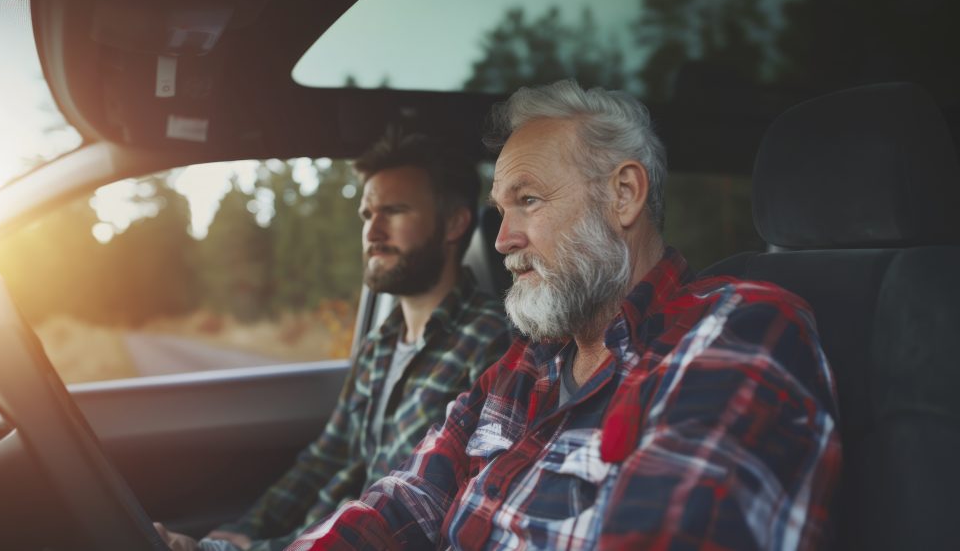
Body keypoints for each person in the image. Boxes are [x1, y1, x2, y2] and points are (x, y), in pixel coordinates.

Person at [281, 80, 842, 550]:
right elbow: (407, 498)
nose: (501, 240)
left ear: (624, 195)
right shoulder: (526, 365)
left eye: (528, 200)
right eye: (501, 210)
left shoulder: (736, 329)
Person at [156, 132, 512, 550]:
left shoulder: (493, 344)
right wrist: (243, 531)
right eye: (367, 214)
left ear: (453, 223)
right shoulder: (379, 345)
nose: (373, 230)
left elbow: (428, 515)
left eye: (394, 210)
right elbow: (325, 458)